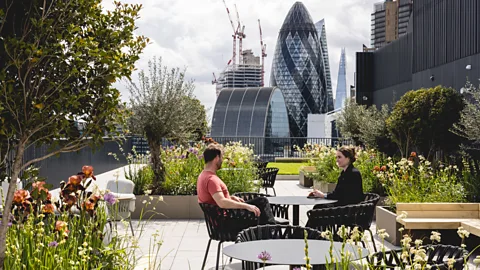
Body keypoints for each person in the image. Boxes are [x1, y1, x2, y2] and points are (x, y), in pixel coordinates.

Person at [197, 143, 276, 224]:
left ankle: (270, 229)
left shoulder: (202, 176)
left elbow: (214, 199)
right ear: (217, 158)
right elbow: (222, 202)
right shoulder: (211, 180)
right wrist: (247, 206)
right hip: (227, 221)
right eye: (222, 157)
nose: (222, 160)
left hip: (222, 218)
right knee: (262, 202)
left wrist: (230, 198)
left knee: (259, 205)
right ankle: (273, 231)